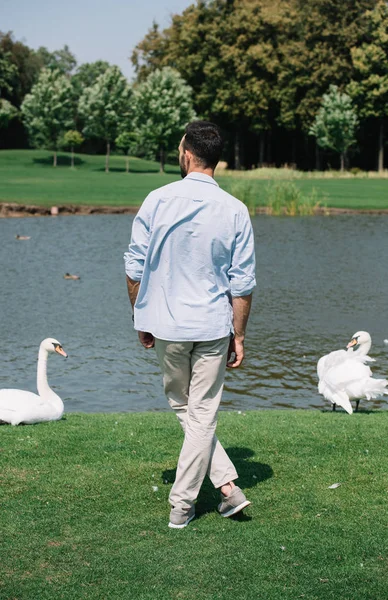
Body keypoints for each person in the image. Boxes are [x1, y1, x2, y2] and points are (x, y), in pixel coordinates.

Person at [124, 120, 256, 529]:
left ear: (186, 154)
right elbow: (243, 283)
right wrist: (239, 334)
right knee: (199, 411)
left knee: (188, 408)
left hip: (168, 326)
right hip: (214, 326)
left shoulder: (157, 200)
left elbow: (134, 268)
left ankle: (181, 505)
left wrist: (140, 316)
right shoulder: (235, 209)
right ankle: (228, 488)